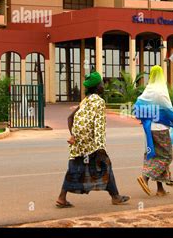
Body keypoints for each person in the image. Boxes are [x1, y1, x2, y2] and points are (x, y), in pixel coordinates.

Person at [56, 71, 130, 208]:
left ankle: (62, 197)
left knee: (75, 167)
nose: (103, 85)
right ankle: (115, 197)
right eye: (102, 83)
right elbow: (99, 125)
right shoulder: (99, 102)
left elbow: (70, 118)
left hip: (78, 142)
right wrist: (101, 147)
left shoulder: (85, 100)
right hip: (90, 143)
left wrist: (73, 135)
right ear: (97, 87)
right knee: (105, 165)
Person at [134, 65, 173, 197]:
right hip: (161, 129)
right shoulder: (161, 91)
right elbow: (169, 112)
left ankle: (160, 189)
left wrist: (146, 117)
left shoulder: (148, 90)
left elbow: (137, 107)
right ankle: (145, 177)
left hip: (150, 130)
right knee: (166, 156)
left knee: (156, 155)